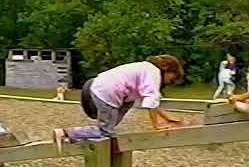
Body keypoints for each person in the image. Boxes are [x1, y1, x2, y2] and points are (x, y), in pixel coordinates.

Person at [52, 55, 185, 154]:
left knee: (111, 126)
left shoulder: (146, 68)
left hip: (105, 88)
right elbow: (151, 100)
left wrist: (166, 118)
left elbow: (152, 101)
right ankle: (66, 133)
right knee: (104, 132)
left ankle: (77, 137)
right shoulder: (154, 73)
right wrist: (156, 126)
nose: (170, 82)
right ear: (167, 69)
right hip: (107, 92)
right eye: (172, 78)